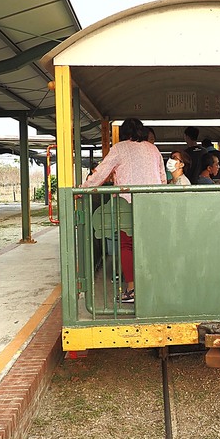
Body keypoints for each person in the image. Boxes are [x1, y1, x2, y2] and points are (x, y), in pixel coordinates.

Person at [82, 118, 165, 303]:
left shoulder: (119, 148)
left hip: (126, 204)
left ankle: (132, 290)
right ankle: (151, 287)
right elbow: (162, 178)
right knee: (149, 245)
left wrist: (83, 189)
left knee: (127, 245)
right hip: (151, 204)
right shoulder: (153, 149)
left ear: (123, 132)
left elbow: (102, 173)